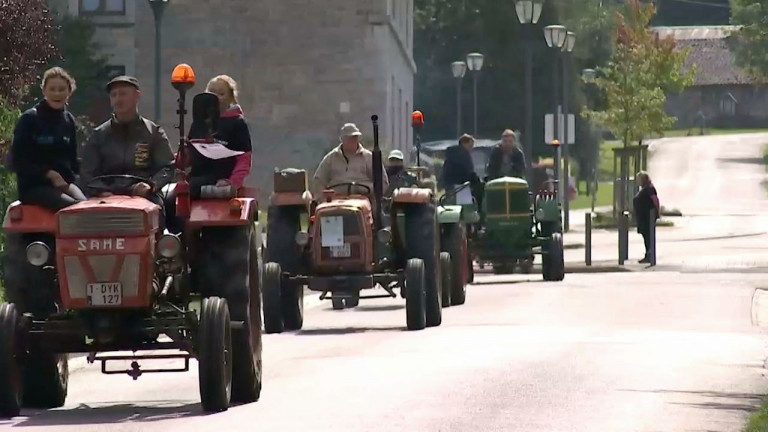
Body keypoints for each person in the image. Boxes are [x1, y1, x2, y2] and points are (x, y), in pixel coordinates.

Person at [79, 75, 175, 208]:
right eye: (114, 95)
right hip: (105, 197)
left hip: (144, 196)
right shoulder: (99, 135)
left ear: (137, 96)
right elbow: (87, 172)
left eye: (123, 94)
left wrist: (151, 185)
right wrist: (101, 192)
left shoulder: (153, 132)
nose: (118, 99)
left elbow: (167, 167)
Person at [9, 67, 86, 211]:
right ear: (44, 91)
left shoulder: (68, 121)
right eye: (52, 89)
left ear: (69, 91)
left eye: (62, 89)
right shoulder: (30, 119)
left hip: (64, 184)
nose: (57, 93)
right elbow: (17, 160)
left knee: (87, 206)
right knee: (74, 209)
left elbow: (73, 160)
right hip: (34, 188)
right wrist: (49, 174)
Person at [186, 75, 253, 196]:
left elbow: (244, 158)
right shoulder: (199, 123)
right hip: (195, 176)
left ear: (231, 98)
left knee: (192, 188)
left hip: (220, 178)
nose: (216, 98)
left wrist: (233, 182)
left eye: (221, 94)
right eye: (212, 93)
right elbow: (188, 153)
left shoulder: (237, 123)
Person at [313, 123, 389, 198]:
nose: (353, 140)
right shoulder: (331, 158)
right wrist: (323, 197)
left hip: (363, 198)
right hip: (336, 199)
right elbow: (319, 180)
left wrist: (372, 194)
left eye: (355, 137)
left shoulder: (368, 158)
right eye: (349, 138)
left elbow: (383, 182)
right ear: (342, 139)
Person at [632, 171, 660, 264]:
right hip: (643, 217)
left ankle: (650, 255)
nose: (637, 181)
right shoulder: (645, 189)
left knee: (648, 236)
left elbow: (655, 200)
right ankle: (648, 254)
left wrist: (657, 211)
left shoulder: (649, 188)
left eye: (638, 179)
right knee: (646, 236)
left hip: (648, 217)